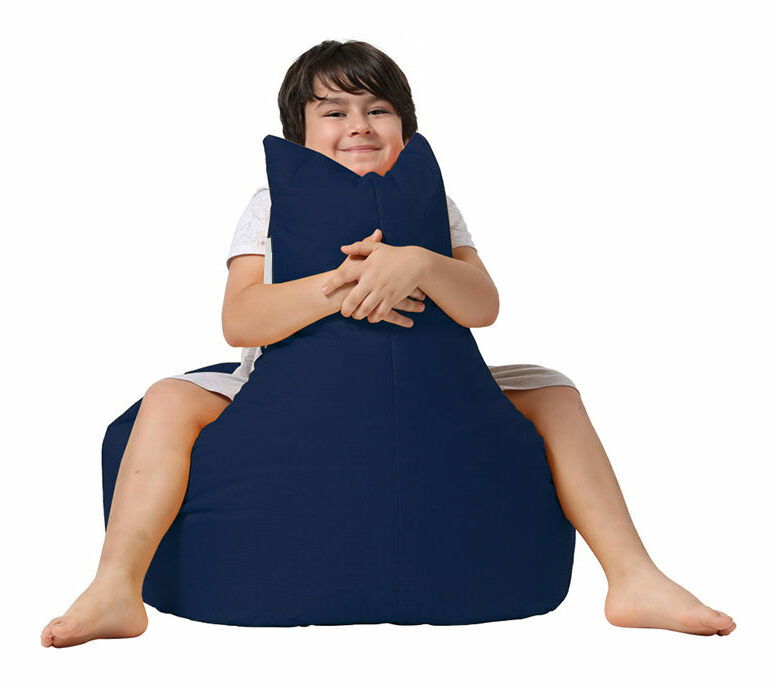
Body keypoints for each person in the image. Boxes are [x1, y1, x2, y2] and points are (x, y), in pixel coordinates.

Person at [40, 40, 736, 649]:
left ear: (406, 127)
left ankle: (633, 576)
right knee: (167, 398)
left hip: (443, 387)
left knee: (554, 392)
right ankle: (115, 585)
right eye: (334, 112)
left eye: (377, 110)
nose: (359, 126)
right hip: (274, 384)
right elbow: (241, 321)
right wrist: (343, 286)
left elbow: (484, 306)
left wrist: (421, 265)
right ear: (300, 133)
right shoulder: (269, 204)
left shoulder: (436, 204)